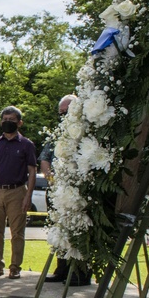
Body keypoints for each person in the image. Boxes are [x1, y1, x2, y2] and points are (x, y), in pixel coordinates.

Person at [0, 106, 37, 279]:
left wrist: (28, 195)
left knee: (17, 233)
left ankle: (15, 267)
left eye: (11, 120)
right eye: (5, 120)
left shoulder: (27, 145)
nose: (7, 123)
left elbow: (32, 171)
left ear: (19, 123)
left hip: (17, 191)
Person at [41, 95, 91, 286]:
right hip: (58, 192)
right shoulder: (57, 133)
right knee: (58, 232)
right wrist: (51, 178)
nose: (63, 116)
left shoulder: (85, 131)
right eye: (61, 113)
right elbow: (45, 158)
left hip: (78, 193)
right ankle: (61, 270)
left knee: (78, 231)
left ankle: (80, 273)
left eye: (67, 111)